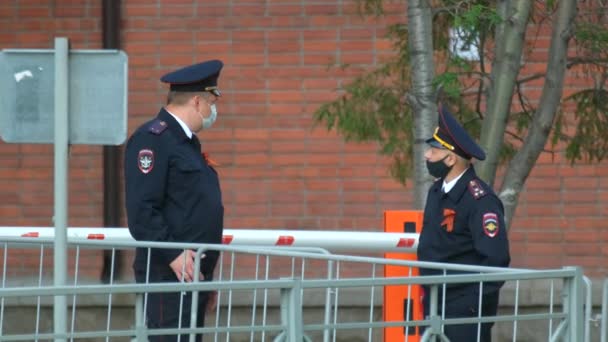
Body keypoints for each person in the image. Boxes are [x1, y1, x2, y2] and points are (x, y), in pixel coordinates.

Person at [124, 59, 225, 341]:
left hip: (191, 274)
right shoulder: (153, 140)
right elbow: (142, 209)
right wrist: (174, 255)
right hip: (167, 274)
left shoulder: (185, 143)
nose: (213, 111)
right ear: (196, 102)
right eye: (211, 103)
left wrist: (206, 275)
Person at [416, 105, 510, 341]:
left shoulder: (480, 201)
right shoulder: (437, 191)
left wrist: (474, 304)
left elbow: (495, 259)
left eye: (433, 151)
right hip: (434, 302)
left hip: (465, 312)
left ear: (450, 158)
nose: (427, 155)